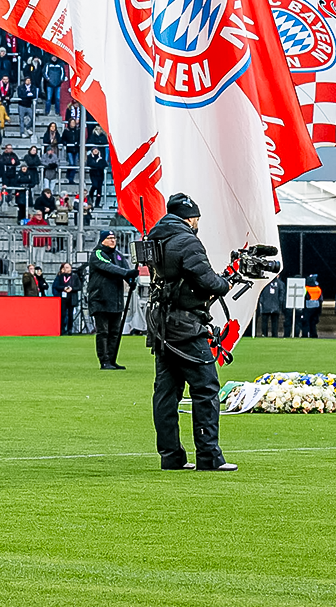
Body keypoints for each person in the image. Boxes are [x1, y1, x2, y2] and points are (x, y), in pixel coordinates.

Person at [145, 193, 235, 472]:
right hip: (185, 326)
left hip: (161, 325)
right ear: (190, 217)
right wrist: (225, 283)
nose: (197, 222)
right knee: (206, 387)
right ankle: (208, 456)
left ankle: (171, 456)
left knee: (166, 392)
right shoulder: (186, 240)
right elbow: (207, 280)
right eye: (196, 217)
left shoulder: (155, 237)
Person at [86, 231, 136, 369]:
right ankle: (104, 360)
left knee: (115, 332)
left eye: (114, 238)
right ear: (102, 240)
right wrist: (126, 273)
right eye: (109, 238)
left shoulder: (118, 255)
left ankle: (112, 359)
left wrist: (131, 280)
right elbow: (108, 268)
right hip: (100, 298)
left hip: (116, 299)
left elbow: (125, 269)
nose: (113, 240)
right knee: (103, 332)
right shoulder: (97, 254)